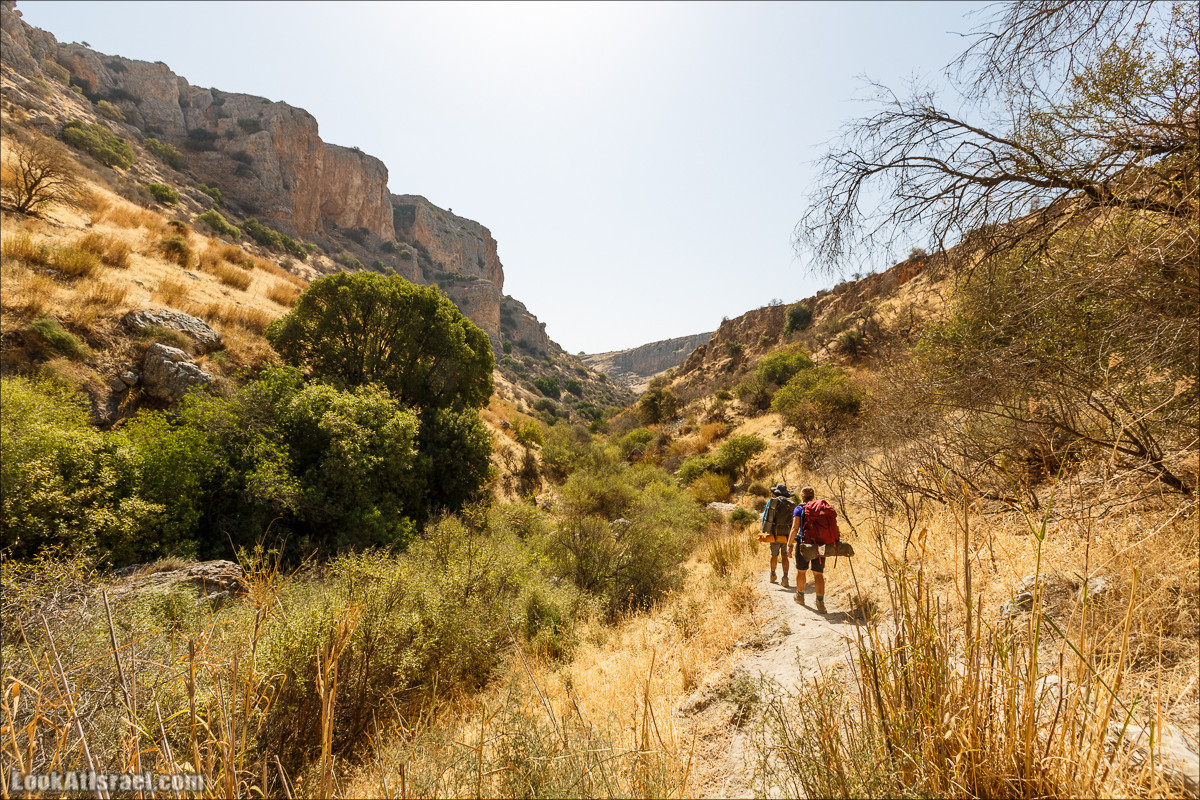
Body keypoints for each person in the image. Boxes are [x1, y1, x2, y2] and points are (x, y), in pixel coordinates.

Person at [786, 486, 827, 613]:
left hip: (804, 544)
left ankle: (800, 596)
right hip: (821, 544)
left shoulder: (799, 509)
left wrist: (789, 544)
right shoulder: (821, 508)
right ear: (813, 496)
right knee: (818, 573)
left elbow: (794, 528)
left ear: (802, 496)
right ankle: (820, 602)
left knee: (801, 571)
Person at [764, 483, 792, 588]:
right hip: (787, 535)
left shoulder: (772, 503)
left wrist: (765, 532)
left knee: (774, 555)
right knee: (785, 556)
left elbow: (766, 518)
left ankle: (772, 575)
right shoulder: (790, 504)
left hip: (774, 534)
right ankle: (785, 578)